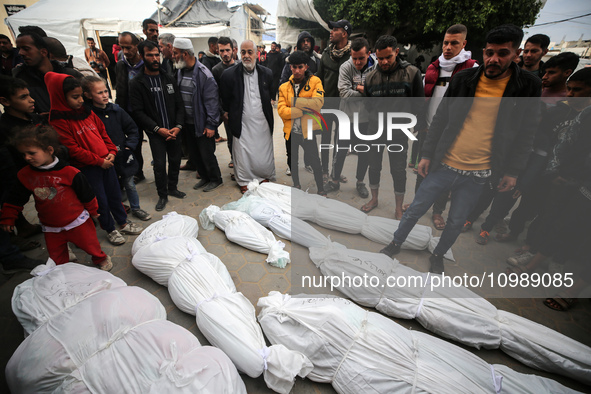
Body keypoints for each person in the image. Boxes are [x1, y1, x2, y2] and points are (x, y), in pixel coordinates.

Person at [380, 24, 542, 274]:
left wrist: (512, 171)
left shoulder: (527, 87)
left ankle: (438, 255)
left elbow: (526, 134)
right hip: (444, 164)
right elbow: (440, 120)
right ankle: (395, 243)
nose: (494, 59)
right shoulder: (464, 80)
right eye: (489, 53)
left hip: (478, 174)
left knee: (455, 221)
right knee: (414, 210)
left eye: (503, 53)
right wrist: (425, 155)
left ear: (516, 53)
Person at [507, 70, 591, 311]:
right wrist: (558, 171)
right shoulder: (572, 113)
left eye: (577, 90)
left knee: (568, 226)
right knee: (554, 218)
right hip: (565, 177)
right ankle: (536, 258)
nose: (570, 94)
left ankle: (561, 273)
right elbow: (563, 144)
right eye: (569, 88)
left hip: (576, 178)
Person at [45, 72, 143, 245]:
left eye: (81, 96)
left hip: (107, 162)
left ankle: (122, 222)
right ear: (61, 97)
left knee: (115, 195)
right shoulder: (59, 121)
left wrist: (111, 151)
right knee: (100, 200)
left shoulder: (86, 112)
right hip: (89, 168)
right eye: (75, 97)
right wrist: (99, 161)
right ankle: (110, 229)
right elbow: (73, 149)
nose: (81, 101)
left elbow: (103, 133)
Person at [0, 124, 112, 270]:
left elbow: (87, 194)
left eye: (31, 153)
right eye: (23, 154)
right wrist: (8, 217)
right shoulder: (25, 175)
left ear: (49, 150)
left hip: (77, 222)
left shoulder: (70, 172)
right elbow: (15, 198)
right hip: (50, 225)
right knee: (56, 255)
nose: (27, 158)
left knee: (90, 245)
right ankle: (62, 270)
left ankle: (100, 258)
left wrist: (93, 211)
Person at [415, 24, 477, 230]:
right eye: (445, 43)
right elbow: (426, 98)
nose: (448, 47)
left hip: (453, 135)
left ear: (464, 44)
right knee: (421, 169)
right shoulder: (433, 68)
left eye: (454, 43)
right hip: (429, 129)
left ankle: (437, 211)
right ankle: (417, 205)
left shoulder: (472, 71)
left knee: (443, 176)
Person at [359, 35, 425, 219]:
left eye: (388, 57)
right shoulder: (371, 76)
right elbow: (368, 104)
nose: (384, 61)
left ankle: (398, 208)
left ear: (397, 51)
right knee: (374, 166)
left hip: (399, 132)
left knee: (398, 170)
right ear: (375, 55)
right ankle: (374, 199)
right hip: (375, 130)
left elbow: (419, 103)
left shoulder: (411, 73)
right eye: (380, 58)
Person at [82, 75, 151, 221]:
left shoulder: (116, 111)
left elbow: (133, 129)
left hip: (122, 156)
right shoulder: (87, 115)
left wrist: (128, 147)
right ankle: (116, 213)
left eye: (106, 91)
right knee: (111, 189)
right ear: (88, 95)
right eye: (99, 93)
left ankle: (136, 207)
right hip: (103, 160)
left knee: (130, 185)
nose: (105, 95)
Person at [129, 40, 186, 211]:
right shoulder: (137, 83)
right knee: (160, 165)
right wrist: (157, 129)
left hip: (174, 131)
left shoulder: (168, 78)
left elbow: (179, 105)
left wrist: (178, 126)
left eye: (156, 55)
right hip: (156, 133)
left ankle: (172, 187)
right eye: (150, 55)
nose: (154, 58)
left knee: (175, 160)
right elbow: (138, 112)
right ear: (142, 56)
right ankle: (162, 194)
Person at [220, 40, 275, 193]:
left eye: (249, 52)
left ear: (256, 53)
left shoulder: (266, 73)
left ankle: (263, 176)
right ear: (239, 53)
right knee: (242, 152)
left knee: (263, 150)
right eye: (243, 52)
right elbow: (224, 99)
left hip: (262, 119)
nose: (246, 56)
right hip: (241, 121)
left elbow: (270, 93)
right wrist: (225, 114)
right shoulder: (229, 74)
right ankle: (244, 180)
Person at [172, 38, 222, 193]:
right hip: (188, 123)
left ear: (185, 54)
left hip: (202, 123)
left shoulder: (204, 74)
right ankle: (205, 178)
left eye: (175, 53)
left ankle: (216, 179)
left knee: (207, 154)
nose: (173, 56)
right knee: (194, 154)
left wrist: (211, 125)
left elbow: (212, 103)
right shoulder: (180, 71)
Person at [0, 76, 45, 243]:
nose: (31, 100)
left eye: (29, 95)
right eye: (23, 97)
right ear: (5, 101)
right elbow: (9, 165)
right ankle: (14, 238)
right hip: (23, 175)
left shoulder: (34, 118)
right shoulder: (6, 128)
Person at [278, 50, 325, 195]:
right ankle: (296, 185)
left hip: (308, 130)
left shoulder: (315, 82)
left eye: (300, 67)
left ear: (306, 67)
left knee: (315, 161)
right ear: (290, 67)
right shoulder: (283, 87)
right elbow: (281, 111)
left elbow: (318, 103)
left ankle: (321, 190)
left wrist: (293, 102)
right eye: (294, 67)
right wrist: (304, 110)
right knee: (292, 160)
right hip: (291, 132)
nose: (297, 70)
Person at [335, 37, 376, 199]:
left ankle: (360, 182)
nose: (357, 62)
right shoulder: (345, 67)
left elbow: (379, 93)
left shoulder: (377, 68)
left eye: (361, 58)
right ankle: (335, 180)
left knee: (364, 153)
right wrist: (366, 90)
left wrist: (356, 87)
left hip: (366, 120)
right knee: (340, 151)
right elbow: (344, 94)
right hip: (346, 117)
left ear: (369, 54)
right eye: (354, 58)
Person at [316, 20, 352, 182]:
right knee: (325, 137)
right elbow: (319, 79)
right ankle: (324, 170)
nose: (331, 32)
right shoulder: (326, 53)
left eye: (335, 29)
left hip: (345, 106)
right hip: (327, 104)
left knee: (341, 140)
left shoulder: (352, 55)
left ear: (344, 33)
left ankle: (336, 172)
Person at [13, 31, 82, 114]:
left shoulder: (69, 74)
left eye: (26, 49)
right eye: (18, 49)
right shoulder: (21, 80)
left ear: (43, 52)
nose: (21, 53)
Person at [115, 32, 146, 183]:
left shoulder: (146, 65)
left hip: (147, 113)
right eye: (122, 47)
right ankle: (137, 172)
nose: (125, 51)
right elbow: (120, 90)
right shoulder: (121, 66)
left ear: (136, 46)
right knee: (135, 144)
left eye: (128, 47)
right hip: (129, 114)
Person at [212, 36, 239, 169]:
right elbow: (215, 94)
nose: (225, 54)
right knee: (231, 137)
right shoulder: (216, 70)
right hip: (227, 111)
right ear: (218, 51)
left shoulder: (241, 66)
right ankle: (234, 159)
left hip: (241, 110)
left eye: (227, 50)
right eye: (222, 51)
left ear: (233, 50)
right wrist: (222, 113)